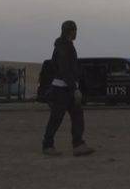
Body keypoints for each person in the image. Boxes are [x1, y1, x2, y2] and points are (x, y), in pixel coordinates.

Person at [39, 20, 94, 157]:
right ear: (71, 31)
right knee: (56, 118)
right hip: (61, 90)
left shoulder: (67, 46)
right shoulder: (63, 47)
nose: (76, 33)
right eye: (75, 30)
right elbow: (65, 70)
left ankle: (78, 144)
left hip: (67, 88)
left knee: (77, 116)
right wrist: (74, 88)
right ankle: (48, 145)